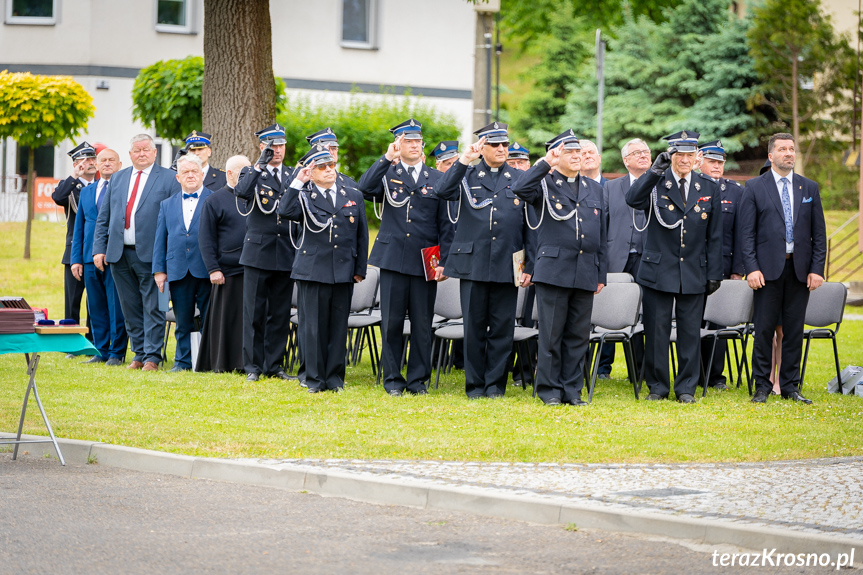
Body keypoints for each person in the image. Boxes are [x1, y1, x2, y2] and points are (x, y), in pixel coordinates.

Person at [434, 122, 534, 399]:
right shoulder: (467, 174)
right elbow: (442, 192)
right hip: (473, 262)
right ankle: (475, 386)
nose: (502, 149)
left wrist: (531, 264)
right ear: (482, 147)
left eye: (505, 144)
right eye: (495, 145)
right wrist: (464, 160)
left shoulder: (518, 177)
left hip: (507, 261)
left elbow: (530, 226)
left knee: (502, 329)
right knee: (475, 327)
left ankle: (495, 386)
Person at [357, 118, 454, 396]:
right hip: (393, 258)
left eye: (417, 141)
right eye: (407, 141)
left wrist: (444, 260)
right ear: (398, 144)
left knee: (423, 324)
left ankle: (417, 381)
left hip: (426, 259)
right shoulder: (387, 173)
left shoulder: (437, 179)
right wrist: (388, 157)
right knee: (391, 323)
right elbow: (364, 188)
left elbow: (446, 223)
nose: (413, 145)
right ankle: (392, 380)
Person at [625, 131, 723, 404]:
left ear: (696, 157)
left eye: (690, 154)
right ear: (671, 155)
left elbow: (714, 236)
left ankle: (686, 388)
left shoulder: (708, 187)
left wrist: (715, 273)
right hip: (658, 268)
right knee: (656, 330)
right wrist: (654, 171)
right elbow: (632, 199)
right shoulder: (657, 183)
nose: (684, 160)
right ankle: (657, 386)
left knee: (690, 331)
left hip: (693, 269)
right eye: (679, 154)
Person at [511, 129, 607, 406]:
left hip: (585, 269)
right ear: (556, 154)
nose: (577, 156)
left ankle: (572, 390)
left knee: (577, 336)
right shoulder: (544, 183)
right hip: (554, 269)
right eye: (570, 151)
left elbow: (600, 234)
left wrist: (600, 274)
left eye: (579, 152)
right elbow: (519, 189)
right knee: (551, 335)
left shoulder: (594, 188)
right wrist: (545, 163)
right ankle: (549, 390)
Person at [739, 133, 826, 405]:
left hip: (800, 271)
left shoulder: (808, 188)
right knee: (764, 330)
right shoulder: (754, 187)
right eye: (782, 149)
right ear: (771, 155)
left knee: (793, 331)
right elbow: (746, 234)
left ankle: (790, 386)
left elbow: (819, 234)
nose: (789, 153)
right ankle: (762, 387)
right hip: (766, 272)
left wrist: (817, 269)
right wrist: (751, 268)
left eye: (791, 148)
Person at [278, 145, 369, 393]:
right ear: (312, 171)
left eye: (331, 165)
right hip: (313, 269)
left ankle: (335, 379)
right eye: (322, 167)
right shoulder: (304, 194)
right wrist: (298, 181)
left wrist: (359, 268)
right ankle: (314, 378)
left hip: (343, 269)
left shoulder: (352, 194)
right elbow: (285, 211)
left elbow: (361, 235)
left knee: (338, 327)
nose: (329, 170)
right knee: (313, 327)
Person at [93, 134, 182, 371]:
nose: (141, 153)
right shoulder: (118, 178)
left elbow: (173, 220)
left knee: (154, 305)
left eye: (146, 149)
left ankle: (153, 356)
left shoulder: (168, 179)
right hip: (119, 254)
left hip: (152, 255)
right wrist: (99, 249)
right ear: (130, 154)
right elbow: (104, 218)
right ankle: (139, 353)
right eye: (136, 150)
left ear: (154, 153)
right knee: (129, 306)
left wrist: (167, 257)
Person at [233, 123, 297, 382]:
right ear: (262, 146)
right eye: (272, 145)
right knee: (254, 313)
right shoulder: (251, 172)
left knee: (279, 313)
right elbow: (242, 193)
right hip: (259, 252)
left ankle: (274, 365)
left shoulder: (293, 175)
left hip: (285, 250)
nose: (278, 150)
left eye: (281, 145)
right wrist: (260, 164)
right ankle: (252, 366)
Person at [596, 138, 651, 380]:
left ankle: (639, 371)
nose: (643, 155)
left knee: (644, 314)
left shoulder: (659, 184)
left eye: (646, 152)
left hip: (648, 260)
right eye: (637, 153)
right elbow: (602, 224)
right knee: (608, 313)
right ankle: (601, 368)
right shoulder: (610, 187)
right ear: (626, 160)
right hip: (615, 259)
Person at [152, 155, 213, 372]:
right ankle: (182, 362)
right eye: (185, 172)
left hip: (207, 270)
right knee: (183, 321)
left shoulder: (214, 199)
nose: (190, 175)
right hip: (177, 268)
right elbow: (161, 238)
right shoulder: (167, 204)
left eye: (194, 171)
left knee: (210, 319)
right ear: (178, 177)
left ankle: (208, 362)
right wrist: (159, 271)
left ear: (201, 174)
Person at [70, 148, 128, 365]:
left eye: (111, 160)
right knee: (95, 306)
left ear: (119, 164)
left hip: (115, 256)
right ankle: (100, 350)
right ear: (96, 164)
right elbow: (79, 227)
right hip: (87, 257)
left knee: (116, 306)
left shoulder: (125, 190)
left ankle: (117, 352)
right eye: (102, 160)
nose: (106, 163)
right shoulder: (87, 191)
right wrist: (76, 259)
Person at [196, 155, 251, 373]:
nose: (248, 178)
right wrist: (213, 268)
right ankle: (224, 362)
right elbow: (206, 238)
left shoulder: (254, 198)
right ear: (229, 174)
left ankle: (248, 362)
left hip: (253, 269)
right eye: (243, 173)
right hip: (227, 270)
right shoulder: (214, 200)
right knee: (227, 320)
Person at [697, 140, 745, 390]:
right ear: (699, 162)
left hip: (725, 268)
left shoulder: (735, 191)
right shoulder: (693, 187)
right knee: (692, 320)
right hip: (694, 265)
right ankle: (693, 373)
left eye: (720, 162)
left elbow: (741, 234)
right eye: (712, 162)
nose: (717, 166)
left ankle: (715, 376)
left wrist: (738, 270)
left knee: (718, 323)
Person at [53, 142, 96, 329]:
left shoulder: (103, 186)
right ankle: (71, 341)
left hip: (97, 250)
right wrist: (74, 176)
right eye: (84, 160)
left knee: (96, 302)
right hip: (75, 250)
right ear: (76, 164)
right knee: (72, 302)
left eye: (93, 158)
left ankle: (94, 340)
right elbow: (58, 197)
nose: (90, 163)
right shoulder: (70, 185)